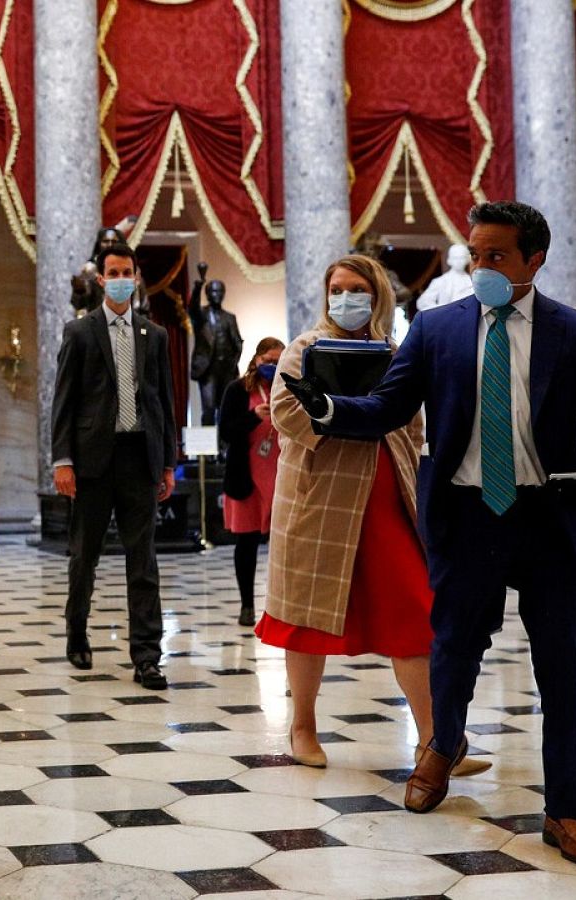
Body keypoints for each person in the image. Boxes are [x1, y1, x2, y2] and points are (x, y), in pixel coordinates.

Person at [284, 202, 576, 868]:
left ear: (534, 260)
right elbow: (389, 405)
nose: (481, 267)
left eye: (496, 256)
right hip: (466, 516)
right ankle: (440, 748)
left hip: (548, 518)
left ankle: (566, 809)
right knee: (452, 650)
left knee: (563, 669)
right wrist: (328, 409)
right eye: (475, 254)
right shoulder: (438, 329)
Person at [262, 254, 492, 779]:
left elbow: (412, 422)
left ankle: (434, 741)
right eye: (336, 289)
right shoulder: (305, 348)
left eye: (356, 288)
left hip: (388, 498)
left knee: (414, 612)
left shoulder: (395, 351)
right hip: (320, 499)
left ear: (376, 295)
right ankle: (302, 726)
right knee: (305, 616)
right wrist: (345, 419)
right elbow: (286, 413)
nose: (345, 298)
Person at [51, 242, 176, 690]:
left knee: (142, 562)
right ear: (102, 279)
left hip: (139, 456)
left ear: (136, 277)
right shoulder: (80, 332)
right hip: (91, 461)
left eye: (128, 270)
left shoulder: (153, 335)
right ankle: (77, 632)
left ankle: (147, 655)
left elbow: (163, 402)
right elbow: (63, 401)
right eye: (113, 271)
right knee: (84, 556)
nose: (122, 277)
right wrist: (62, 460)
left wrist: (167, 463)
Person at [217, 337, 284, 627]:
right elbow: (226, 432)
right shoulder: (238, 389)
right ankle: (247, 605)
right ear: (257, 359)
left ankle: (281, 606)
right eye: (267, 360)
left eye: (277, 361)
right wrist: (253, 417)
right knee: (246, 544)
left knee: (283, 547)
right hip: (247, 477)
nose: (271, 366)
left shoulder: (288, 387)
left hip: (281, 476)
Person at [190, 273, 243, 425]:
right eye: (213, 291)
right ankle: (208, 447)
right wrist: (198, 286)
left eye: (220, 291)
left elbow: (237, 342)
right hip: (208, 370)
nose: (217, 294)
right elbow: (193, 307)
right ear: (207, 294)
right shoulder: (201, 315)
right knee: (209, 408)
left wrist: (234, 363)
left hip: (227, 369)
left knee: (226, 409)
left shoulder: (229, 317)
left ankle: (223, 445)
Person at [415, 243, 473, 313]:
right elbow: (422, 302)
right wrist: (441, 310)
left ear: (467, 260)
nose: (459, 261)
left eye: (462, 258)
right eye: (455, 258)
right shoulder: (440, 281)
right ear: (449, 260)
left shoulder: (472, 282)